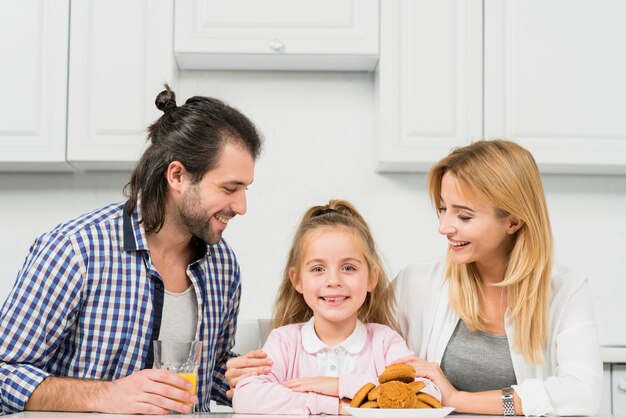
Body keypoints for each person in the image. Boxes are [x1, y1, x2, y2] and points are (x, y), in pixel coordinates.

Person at [226, 140, 603, 416]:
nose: (444, 227)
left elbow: (582, 393)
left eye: (463, 216)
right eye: (442, 210)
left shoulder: (563, 291)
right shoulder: (418, 283)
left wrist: (458, 399)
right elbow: (372, 369)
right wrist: (257, 373)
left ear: (514, 220)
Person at [0, 85, 263, 415]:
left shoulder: (222, 265)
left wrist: (251, 379)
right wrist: (105, 395)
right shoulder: (76, 251)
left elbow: (207, 376)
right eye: (229, 188)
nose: (241, 206)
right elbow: (4, 372)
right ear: (178, 176)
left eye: (245, 189)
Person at [231, 199, 441, 415]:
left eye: (348, 268)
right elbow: (246, 397)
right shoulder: (284, 341)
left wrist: (338, 385)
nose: (333, 280)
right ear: (297, 280)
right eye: (318, 269)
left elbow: (428, 393)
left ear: (371, 278)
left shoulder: (385, 342)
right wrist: (333, 406)